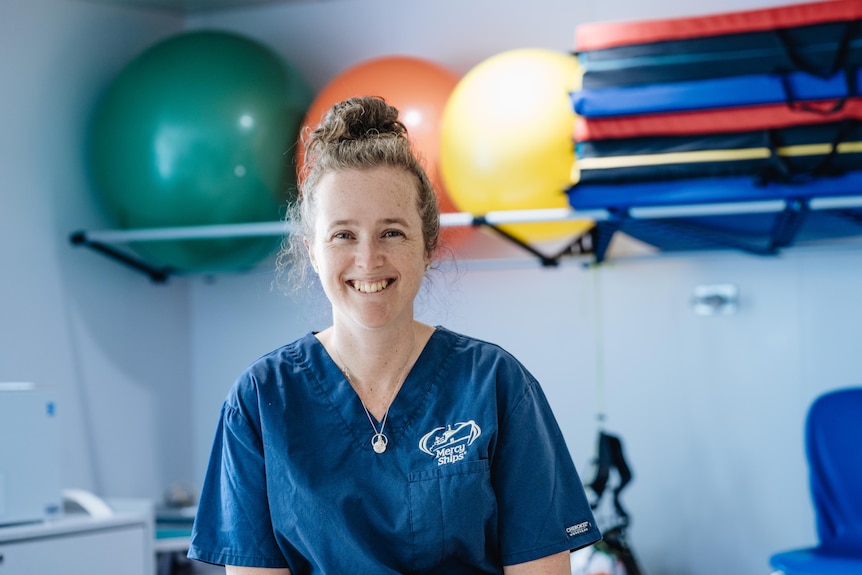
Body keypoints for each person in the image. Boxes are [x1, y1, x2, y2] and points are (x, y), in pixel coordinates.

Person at [187, 95, 601, 575]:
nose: (368, 260)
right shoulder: (260, 400)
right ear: (313, 252)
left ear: (428, 246)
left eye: (392, 233)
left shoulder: (497, 386)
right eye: (343, 235)